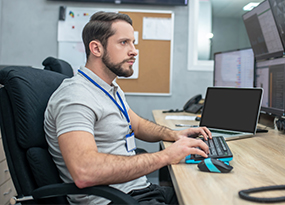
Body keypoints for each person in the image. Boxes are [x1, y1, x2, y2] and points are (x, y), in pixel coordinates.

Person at [44, 11, 211, 205]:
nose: (134, 51)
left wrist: (174, 135)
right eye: (124, 42)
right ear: (96, 48)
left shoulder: (109, 88)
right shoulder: (75, 97)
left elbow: (137, 125)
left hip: (137, 190)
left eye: (133, 43)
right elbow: (84, 172)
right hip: (113, 200)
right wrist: (166, 156)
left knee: (207, 195)